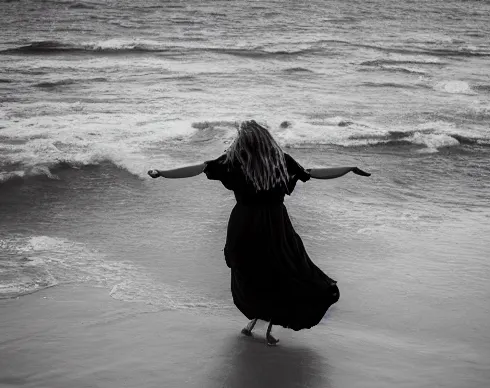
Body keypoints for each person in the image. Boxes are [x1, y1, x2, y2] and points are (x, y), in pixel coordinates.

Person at [148, 120, 371, 346]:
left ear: (243, 141)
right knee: (279, 271)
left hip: (244, 223)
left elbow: (200, 168)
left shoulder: (235, 161)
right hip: (275, 224)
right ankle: (266, 323)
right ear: (266, 139)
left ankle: (258, 320)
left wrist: (162, 173)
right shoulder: (280, 160)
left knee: (250, 272)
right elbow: (312, 174)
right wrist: (348, 169)